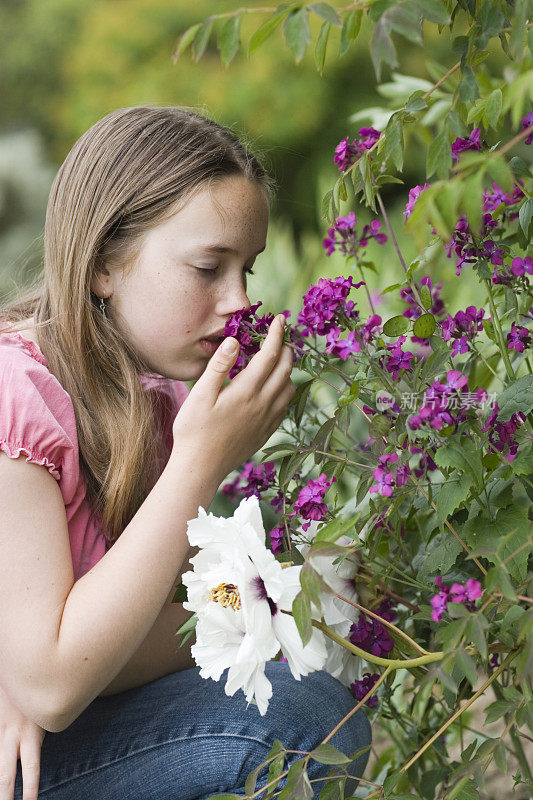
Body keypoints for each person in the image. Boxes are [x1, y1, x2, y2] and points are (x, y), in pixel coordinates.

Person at [0, 106, 371, 800]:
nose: (239, 301)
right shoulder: (14, 395)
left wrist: (274, 605)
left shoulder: (159, 401)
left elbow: (116, 645)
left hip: (62, 730)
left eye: (247, 268)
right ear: (105, 263)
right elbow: (54, 686)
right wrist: (200, 463)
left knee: (316, 699)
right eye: (208, 267)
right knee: (291, 724)